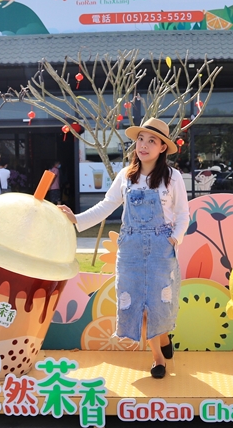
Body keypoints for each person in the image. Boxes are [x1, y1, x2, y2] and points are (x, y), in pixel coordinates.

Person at [57, 117, 189, 380]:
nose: (144, 145)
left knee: (157, 303)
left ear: (163, 148)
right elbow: (107, 206)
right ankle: (159, 357)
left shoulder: (172, 177)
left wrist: (173, 239)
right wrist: (77, 219)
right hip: (129, 249)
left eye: (152, 141)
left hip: (160, 249)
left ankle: (161, 343)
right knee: (134, 303)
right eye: (141, 139)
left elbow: (183, 214)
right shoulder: (126, 175)